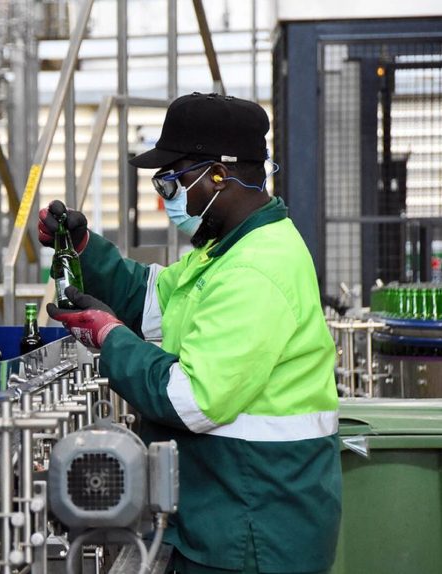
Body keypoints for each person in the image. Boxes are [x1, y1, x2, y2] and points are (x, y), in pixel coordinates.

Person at [39, 92, 341, 574]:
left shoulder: (257, 268)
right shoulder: (223, 250)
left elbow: (191, 399)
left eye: (170, 182)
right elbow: (153, 299)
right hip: (226, 512)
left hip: (255, 530)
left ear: (219, 175)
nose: (165, 200)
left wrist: (109, 337)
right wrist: (83, 248)